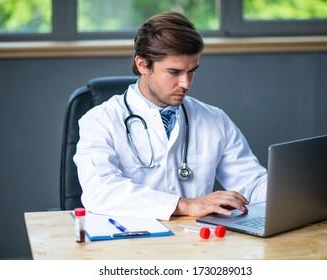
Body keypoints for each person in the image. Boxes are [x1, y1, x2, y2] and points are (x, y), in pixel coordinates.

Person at [74, 11, 267, 220]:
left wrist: (286, 195)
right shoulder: (100, 121)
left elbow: (252, 183)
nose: (186, 83)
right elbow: (100, 191)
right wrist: (186, 205)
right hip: (130, 243)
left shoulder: (215, 120)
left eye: (192, 71)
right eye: (174, 72)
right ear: (142, 65)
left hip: (196, 244)